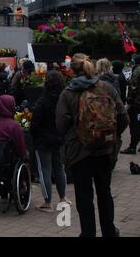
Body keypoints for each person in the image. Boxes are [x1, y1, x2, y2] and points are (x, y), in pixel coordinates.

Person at [56, 53, 128, 237]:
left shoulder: (68, 93)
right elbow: (123, 117)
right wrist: (111, 136)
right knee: (105, 192)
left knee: (84, 196)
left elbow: (61, 125)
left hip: (80, 153)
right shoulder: (107, 88)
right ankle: (109, 231)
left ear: (72, 70)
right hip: (104, 151)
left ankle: (88, 232)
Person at [30, 70, 69, 213]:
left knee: (44, 170)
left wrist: (35, 137)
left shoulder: (42, 100)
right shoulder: (64, 99)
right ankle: (63, 198)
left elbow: (35, 123)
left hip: (43, 140)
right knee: (59, 168)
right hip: (59, 138)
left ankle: (47, 203)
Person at [123, 55, 140, 155]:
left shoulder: (137, 70)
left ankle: (132, 147)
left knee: (134, 124)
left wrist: (129, 100)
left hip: (136, 103)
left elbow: (133, 86)